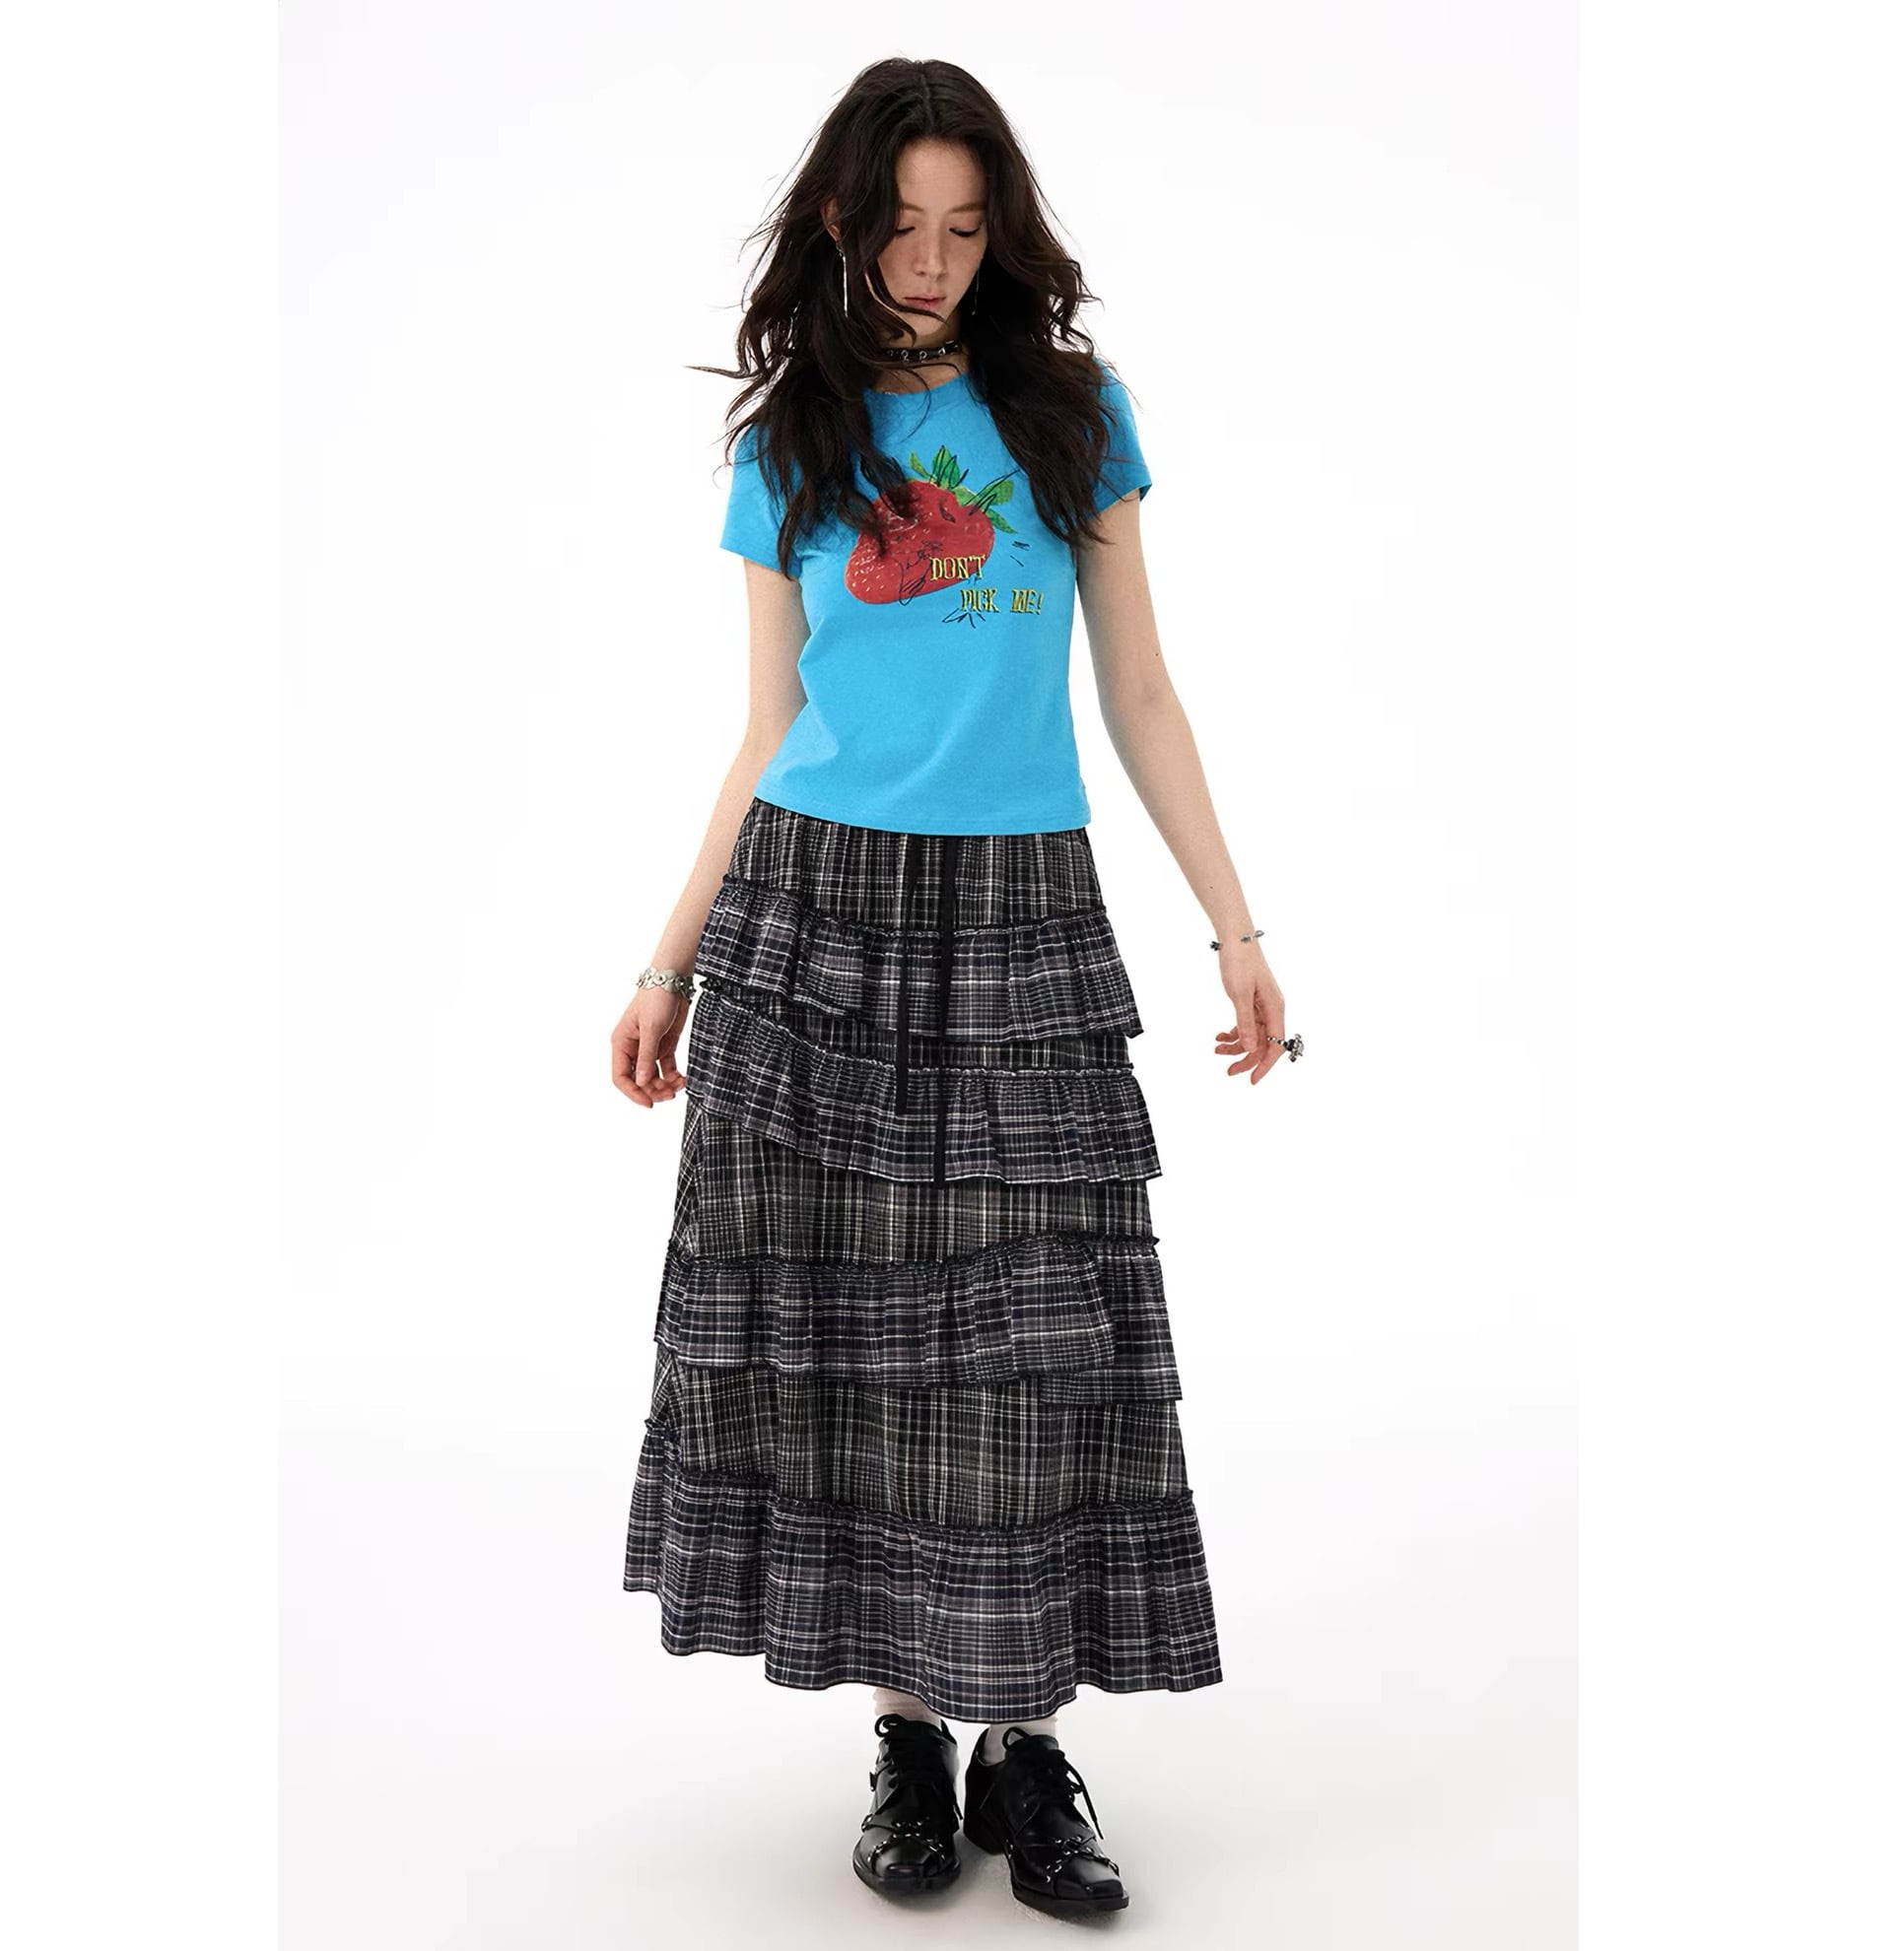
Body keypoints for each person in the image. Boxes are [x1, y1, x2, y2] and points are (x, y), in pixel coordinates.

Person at [615, 57, 1297, 1918]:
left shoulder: (1070, 415)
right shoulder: (793, 441)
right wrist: (670, 960)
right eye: (904, 225)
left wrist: (1236, 926)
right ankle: (912, 1742)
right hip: (816, 919)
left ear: (1002, 235)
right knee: (869, 1352)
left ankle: (1025, 1749)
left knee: (1030, 1345)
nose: (932, 261)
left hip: (1017, 916)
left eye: (967, 228)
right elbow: (767, 730)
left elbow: (1139, 690)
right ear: (845, 223)